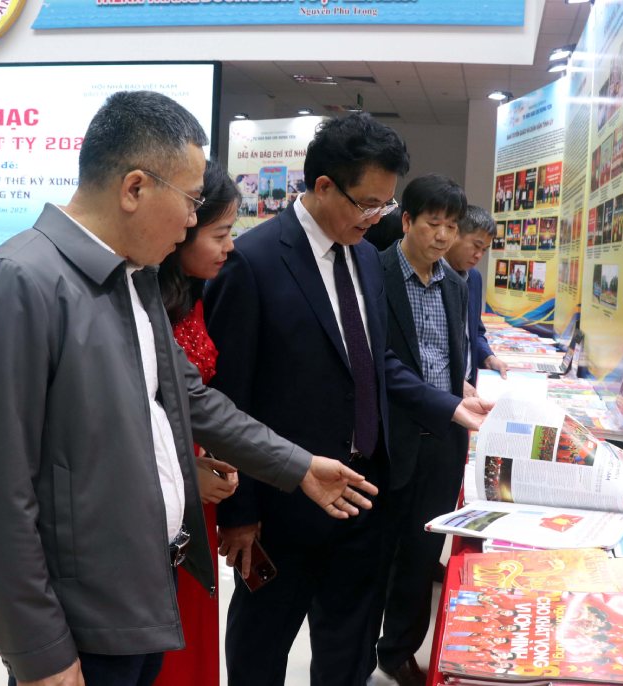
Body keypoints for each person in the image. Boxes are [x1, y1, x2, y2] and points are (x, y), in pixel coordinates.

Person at [0, 91, 378, 686]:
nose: (192, 221)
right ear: (134, 188)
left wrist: (297, 466)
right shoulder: (16, 286)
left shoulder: (135, 277)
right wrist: (39, 651)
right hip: (77, 620)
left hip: (141, 593)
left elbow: (190, 398)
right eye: (192, 200)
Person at [203, 113, 492, 686]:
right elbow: (227, 399)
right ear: (324, 186)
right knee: (261, 649)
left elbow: (375, 360)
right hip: (285, 503)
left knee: (347, 654)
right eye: (367, 203)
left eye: (384, 206)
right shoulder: (254, 261)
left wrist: (445, 404)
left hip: (364, 496)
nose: (376, 218)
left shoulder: (364, 256)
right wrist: (239, 514)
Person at [375, 174, 470, 686]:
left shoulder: (457, 284)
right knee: (375, 553)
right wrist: (447, 405)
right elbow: (382, 363)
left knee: (420, 557)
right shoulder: (375, 272)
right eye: (433, 223)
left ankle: (397, 652)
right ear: (407, 220)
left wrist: (465, 391)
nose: (442, 237)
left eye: (451, 227)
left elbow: (449, 359)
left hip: (444, 443)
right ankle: (354, 649)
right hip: (389, 441)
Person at [155, 159, 241, 686]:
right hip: (163, 488)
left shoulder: (198, 294)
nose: (230, 246)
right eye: (220, 233)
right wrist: (190, 470)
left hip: (198, 485)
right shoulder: (146, 301)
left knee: (193, 618)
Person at [445, 205, 509, 384]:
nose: (479, 255)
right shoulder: (433, 275)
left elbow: (474, 331)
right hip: (441, 388)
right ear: (455, 233)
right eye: (476, 246)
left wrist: (488, 356)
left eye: (485, 250)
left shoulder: (474, 277)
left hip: (470, 383)